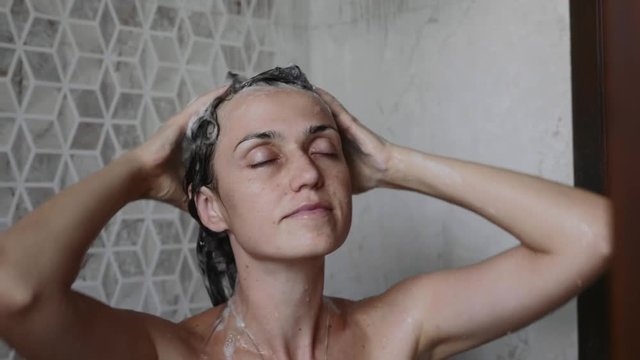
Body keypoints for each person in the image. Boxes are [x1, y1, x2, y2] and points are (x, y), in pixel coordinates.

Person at [0, 65, 611, 359]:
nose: (309, 172)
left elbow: (596, 236)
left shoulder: (395, 332)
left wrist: (398, 163)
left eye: (324, 149)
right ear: (211, 207)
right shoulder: (173, 354)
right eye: (264, 158)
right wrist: (136, 169)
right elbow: (14, 293)